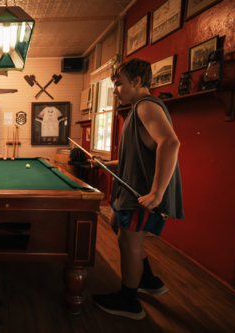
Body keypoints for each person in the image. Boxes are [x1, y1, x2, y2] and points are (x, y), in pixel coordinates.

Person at [90, 58, 184, 320]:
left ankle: (129, 301)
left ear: (137, 81)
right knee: (114, 224)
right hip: (128, 190)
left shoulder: (145, 105)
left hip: (140, 192)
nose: (115, 90)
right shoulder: (135, 110)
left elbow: (170, 143)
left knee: (128, 241)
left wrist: (156, 193)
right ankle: (148, 280)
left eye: (118, 84)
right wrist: (105, 163)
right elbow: (137, 156)